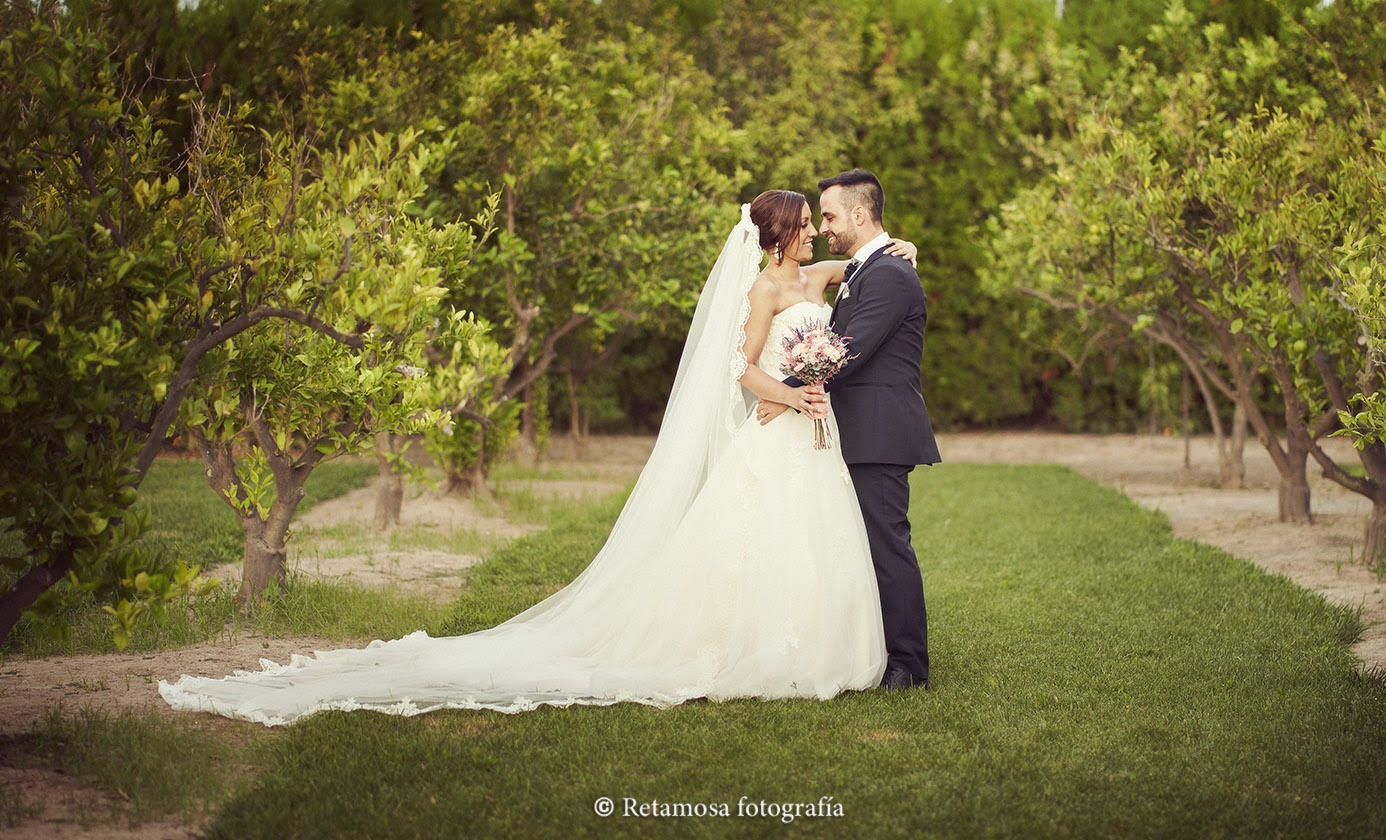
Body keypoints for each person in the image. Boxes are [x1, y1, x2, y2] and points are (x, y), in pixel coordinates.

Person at [158, 191, 919, 725]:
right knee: (753, 542)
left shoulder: (814, 276)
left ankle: (824, 650)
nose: (819, 233)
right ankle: (750, 651)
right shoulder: (759, 290)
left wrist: (899, 254)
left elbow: (859, 273)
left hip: (813, 444)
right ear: (784, 230)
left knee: (810, 543)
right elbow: (739, 372)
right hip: (781, 428)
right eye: (808, 226)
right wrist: (793, 393)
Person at [758, 169, 941, 689]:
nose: (825, 227)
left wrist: (784, 391)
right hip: (856, 430)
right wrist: (784, 392)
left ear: (860, 214)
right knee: (862, 546)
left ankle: (907, 666)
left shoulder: (886, 273)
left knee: (886, 547)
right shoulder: (869, 267)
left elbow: (847, 350)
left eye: (832, 216)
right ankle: (876, 652)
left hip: (879, 432)